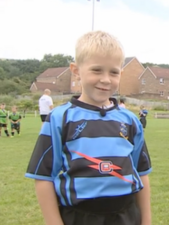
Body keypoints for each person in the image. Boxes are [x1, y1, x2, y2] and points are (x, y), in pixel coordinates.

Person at [25, 30, 152, 225]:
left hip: (126, 216)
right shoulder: (60, 118)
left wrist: (146, 221)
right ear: (76, 70)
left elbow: (142, 173)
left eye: (113, 72)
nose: (106, 79)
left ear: (121, 74)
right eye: (96, 70)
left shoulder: (130, 120)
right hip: (78, 217)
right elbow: (43, 177)